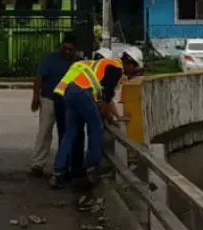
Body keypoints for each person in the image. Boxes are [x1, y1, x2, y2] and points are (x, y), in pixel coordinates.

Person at [49, 46, 143, 189]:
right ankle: (92, 168)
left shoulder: (105, 64)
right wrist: (110, 118)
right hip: (82, 94)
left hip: (71, 92)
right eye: (134, 69)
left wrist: (109, 114)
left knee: (70, 134)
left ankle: (58, 173)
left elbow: (103, 97)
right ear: (130, 63)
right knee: (96, 128)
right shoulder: (116, 68)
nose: (133, 73)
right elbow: (107, 98)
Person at [29, 34, 84, 178]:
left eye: (70, 50)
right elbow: (39, 76)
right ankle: (38, 164)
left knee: (65, 134)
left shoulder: (79, 63)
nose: (67, 52)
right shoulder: (51, 59)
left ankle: (64, 164)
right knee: (44, 131)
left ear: (75, 50)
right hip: (49, 99)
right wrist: (35, 96)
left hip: (68, 102)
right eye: (65, 48)